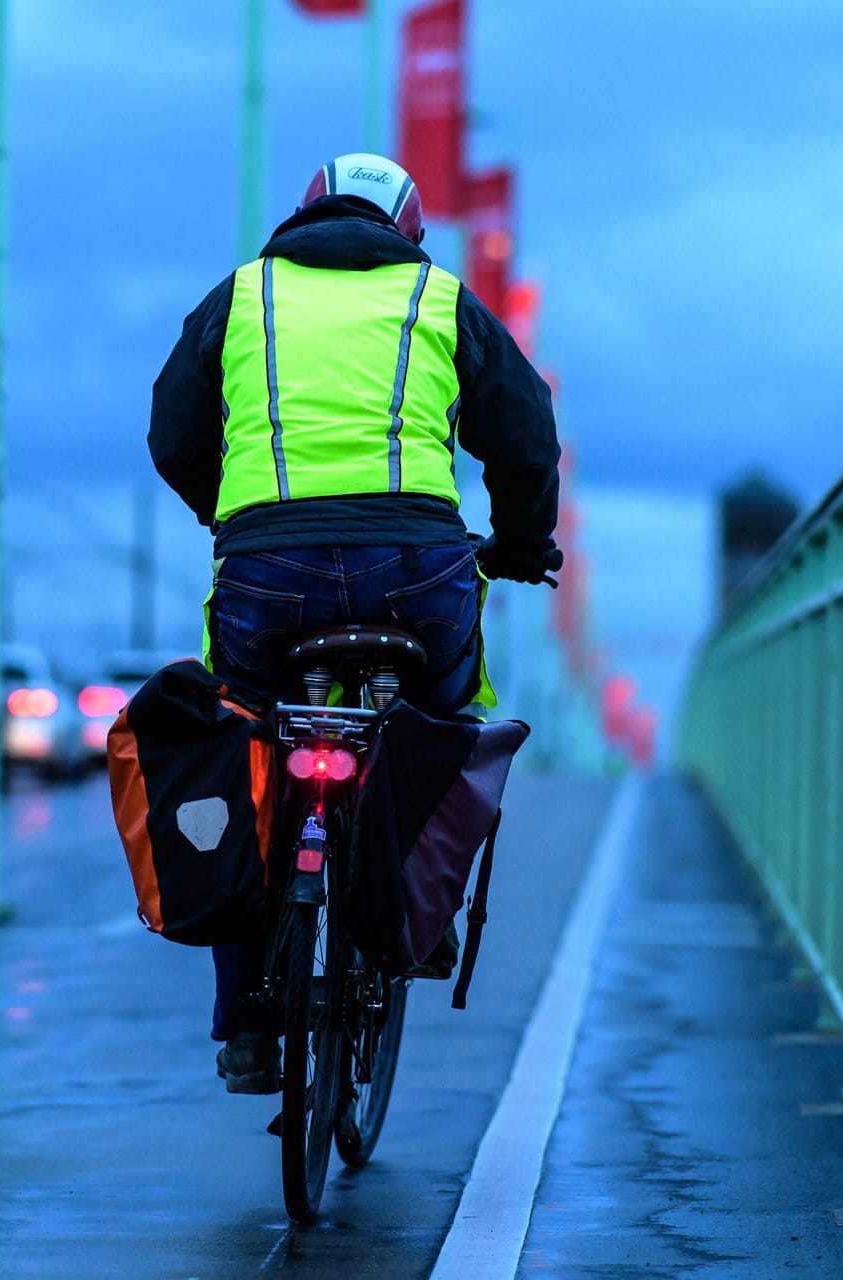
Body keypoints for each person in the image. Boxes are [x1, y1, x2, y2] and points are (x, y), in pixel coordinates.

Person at [148, 152, 563, 1093]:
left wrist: (235, 514)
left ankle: (247, 1023)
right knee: (446, 721)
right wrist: (524, 542)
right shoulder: (440, 298)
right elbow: (526, 431)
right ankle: (419, 913)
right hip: (415, 566)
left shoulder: (241, 294)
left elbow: (172, 431)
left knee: (247, 749)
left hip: (267, 569)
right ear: (408, 232)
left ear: (300, 217)